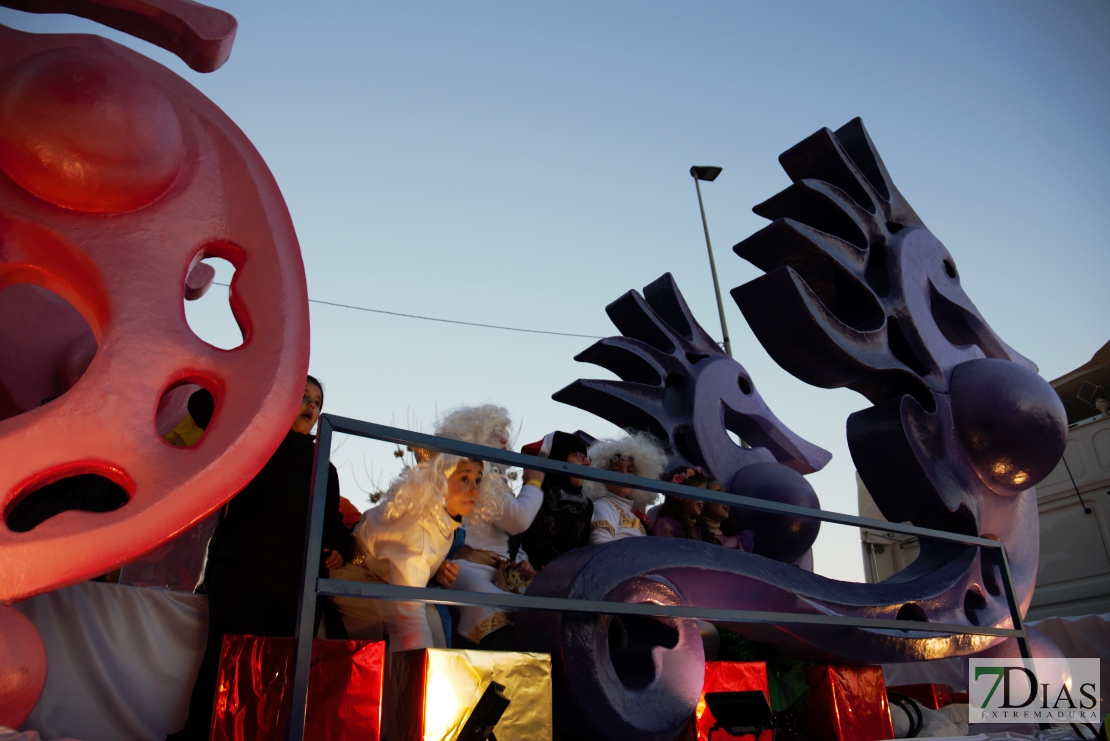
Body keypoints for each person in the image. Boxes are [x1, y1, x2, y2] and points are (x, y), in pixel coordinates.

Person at [169, 375, 351, 741]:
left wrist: (339, 548)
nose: (311, 405)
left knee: (278, 670)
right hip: (241, 573)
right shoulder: (257, 441)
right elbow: (201, 406)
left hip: (295, 586)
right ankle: (197, 735)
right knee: (225, 662)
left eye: (317, 401)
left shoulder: (324, 469)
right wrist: (263, 392)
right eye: (301, 396)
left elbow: (331, 522)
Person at [328, 450, 502, 653]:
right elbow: (409, 612)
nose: (474, 490)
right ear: (439, 482)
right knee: (408, 622)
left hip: (383, 578)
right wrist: (423, 673)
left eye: (478, 480)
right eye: (464, 478)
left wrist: (435, 572)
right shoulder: (417, 529)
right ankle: (408, 683)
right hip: (353, 575)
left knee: (432, 618)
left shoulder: (445, 518)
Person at [431, 405, 545, 648]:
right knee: (486, 603)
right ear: (473, 436)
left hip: (502, 574)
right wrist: (534, 481)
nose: (505, 438)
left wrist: (521, 561)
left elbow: (508, 535)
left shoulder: (494, 479)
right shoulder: (477, 471)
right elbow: (518, 519)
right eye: (495, 432)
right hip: (464, 567)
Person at [517, 431, 594, 569]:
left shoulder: (587, 506)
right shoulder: (535, 498)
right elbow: (534, 550)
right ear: (558, 458)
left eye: (587, 457)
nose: (587, 463)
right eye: (578, 456)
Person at [585, 432, 666, 544]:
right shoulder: (605, 506)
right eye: (615, 470)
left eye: (630, 471)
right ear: (600, 477)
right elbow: (600, 545)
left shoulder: (630, 515)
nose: (624, 475)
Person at [698, 477, 755, 551]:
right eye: (718, 495)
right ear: (702, 501)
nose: (725, 499)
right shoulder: (694, 535)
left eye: (725, 495)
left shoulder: (738, 542)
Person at [651, 466, 708, 540]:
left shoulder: (698, 528)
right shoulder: (666, 524)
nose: (703, 499)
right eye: (698, 492)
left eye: (705, 494)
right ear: (678, 495)